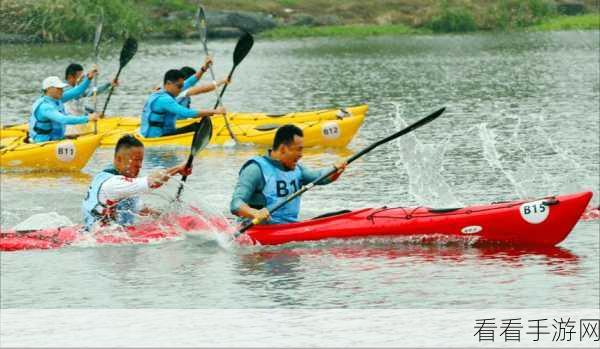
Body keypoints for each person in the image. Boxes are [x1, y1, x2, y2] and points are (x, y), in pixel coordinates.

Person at [230, 124, 347, 224]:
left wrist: (335, 169)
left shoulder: (298, 170)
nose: (301, 154)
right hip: (259, 229)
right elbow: (236, 204)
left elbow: (321, 178)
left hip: (288, 227)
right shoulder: (255, 169)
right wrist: (255, 213)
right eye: (298, 149)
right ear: (282, 149)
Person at [82, 134, 192, 231]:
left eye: (141, 160)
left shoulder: (109, 178)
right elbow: (153, 182)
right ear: (119, 159)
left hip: (104, 236)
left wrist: (167, 216)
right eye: (136, 160)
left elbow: (139, 210)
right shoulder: (113, 183)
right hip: (102, 241)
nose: (140, 165)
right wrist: (177, 169)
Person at [140, 69, 226, 138]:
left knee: (198, 124)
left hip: (160, 133)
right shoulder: (164, 100)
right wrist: (215, 111)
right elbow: (187, 113)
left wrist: (204, 68)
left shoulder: (165, 90)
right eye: (179, 86)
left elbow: (190, 82)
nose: (181, 89)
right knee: (198, 127)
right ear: (169, 83)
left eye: (182, 86)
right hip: (158, 137)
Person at [28, 74, 100, 143]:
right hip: (42, 142)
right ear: (48, 89)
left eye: (61, 88)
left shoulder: (57, 98)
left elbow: (77, 91)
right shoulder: (45, 106)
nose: (61, 90)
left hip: (53, 139)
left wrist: (88, 79)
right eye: (58, 88)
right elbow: (63, 119)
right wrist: (88, 118)